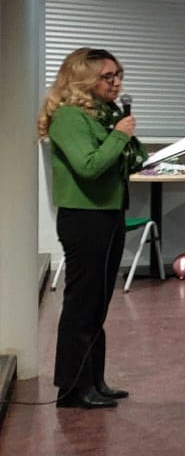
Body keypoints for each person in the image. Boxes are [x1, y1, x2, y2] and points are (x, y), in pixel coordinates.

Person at [39, 48, 146, 409]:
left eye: (118, 75)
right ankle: (72, 388)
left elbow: (115, 160)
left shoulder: (103, 115)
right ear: (83, 78)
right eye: (107, 76)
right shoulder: (69, 117)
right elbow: (88, 166)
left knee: (98, 304)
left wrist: (130, 145)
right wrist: (119, 136)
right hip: (84, 218)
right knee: (82, 304)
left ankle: (94, 380)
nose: (116, 83)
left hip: (108, 214)